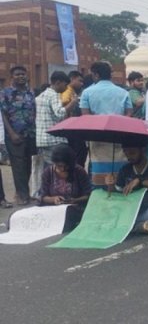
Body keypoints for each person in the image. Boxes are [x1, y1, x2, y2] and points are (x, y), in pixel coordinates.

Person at [80, 62, 133, 187]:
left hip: (97, 136)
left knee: (98, 172)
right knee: (120, 167)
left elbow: (85, 116)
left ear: (96, 75)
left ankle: (100, 193)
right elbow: (129, 114)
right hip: (119, 135)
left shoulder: (87, 92)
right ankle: (119, 187)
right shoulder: (123, 92)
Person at [105, 144, 148, 235]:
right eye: (126, 153)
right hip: (133, 210)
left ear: (143, 150)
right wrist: (110, 185)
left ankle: (126, 225)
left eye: (132, 153)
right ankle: (138, 226)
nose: (129, 157)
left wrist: (141, 181)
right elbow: (117, 194)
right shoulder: (125, 169)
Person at [1, 66, 37, 205]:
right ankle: (22, 196)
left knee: (28, 164)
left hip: (30, 134)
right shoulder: (6, 93)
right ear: (12, 77)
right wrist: (11, 133)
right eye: (17, 74)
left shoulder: (30, 92)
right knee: (18, 165)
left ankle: (23, 193)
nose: (21, 76)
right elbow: (3, 114)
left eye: (23, 74)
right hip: (14, 135)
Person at [38, 144, 91, 232]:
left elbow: (88, 195)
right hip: (53, 209)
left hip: (74, 208)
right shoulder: (48, 172)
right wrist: (53, 199)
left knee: (69, 216)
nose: (62, 169)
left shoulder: (79, 171)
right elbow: (43, 197)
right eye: (59, 166)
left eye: (65, 166)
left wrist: (75, 200)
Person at [35, 71, 78, 165]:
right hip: (54, 139)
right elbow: (60, 113)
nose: (66, 88)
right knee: (58, 167)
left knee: (49, 167)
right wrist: (73, 102)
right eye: (65, 85)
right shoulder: (54, 95)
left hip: (42, 138)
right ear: (58, 82)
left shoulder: (41, 96)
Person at [63, 71, 88, 167]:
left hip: (74, 127)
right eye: (79, 81)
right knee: (78, 155)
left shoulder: (73, 92)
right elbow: (63, 103)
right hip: (71, 128)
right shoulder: (67, 91)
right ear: (72, 79)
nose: (81, 84)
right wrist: (74, 101)